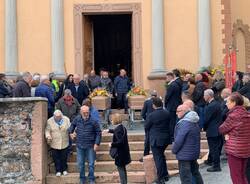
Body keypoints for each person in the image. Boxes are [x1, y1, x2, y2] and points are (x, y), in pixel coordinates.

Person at [219, 92, 250, 184]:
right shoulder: (247, 115)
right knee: (243, 175)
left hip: (235, 151)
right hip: (246, 149)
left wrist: (228, 134)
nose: (226, 104)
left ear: (234, 103)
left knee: (236, 176)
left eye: (228, 102)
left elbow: (221, 129)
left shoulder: (233, 116)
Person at [68, 105, 101, 184]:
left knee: (91, 164)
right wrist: (70, 133)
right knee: (80, 164)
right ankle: (82, 178)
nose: (86, 114)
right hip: (80, 145)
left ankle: (91, 179)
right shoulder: (77, 119)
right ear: (80, 112)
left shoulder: (93, 120)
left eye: (87, 112)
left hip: (90, 145)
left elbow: (98, 133)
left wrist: (97, 143)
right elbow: (71, 126)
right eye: (84, 113)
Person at [172, 104, 204, 184]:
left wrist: (174, 150)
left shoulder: (184, 123)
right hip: (193, 153)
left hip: (184, 155)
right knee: (195, 173)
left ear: (183, 112)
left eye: (178, 111)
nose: (176, 113)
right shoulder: (193, 121)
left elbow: (179, 140)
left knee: (185, 177)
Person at [145, 97, 171, 184]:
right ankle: (165, 174)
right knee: (161, 156)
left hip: (156, 140)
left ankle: (160, 178)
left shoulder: (152, 115)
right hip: (165, 139)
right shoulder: (167, 113)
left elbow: (146, 126)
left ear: (154, 105)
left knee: (158, 158)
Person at [103, 113, 131, 184]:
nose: (111, 121)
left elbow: (120, 142)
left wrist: (112, 144)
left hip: (120, 154)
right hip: (123, 153)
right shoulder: (122, 127)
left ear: (115, 120)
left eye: (112, 120)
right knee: (123, 169)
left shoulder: (118, 130)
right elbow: (116, 131)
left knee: (121, 170)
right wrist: (109, 130)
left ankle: (123, 183)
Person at [45, 110, 71, 176]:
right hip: (54, 142)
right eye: (57, 117)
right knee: (56, 157)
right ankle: (58, 170)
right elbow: (47, 130)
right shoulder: (49, 121)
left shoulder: (66, 119)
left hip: (64, 141)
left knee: (64, 157)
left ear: (61, 115)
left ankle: (64, 169)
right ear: (54, 116)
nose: (58, 118)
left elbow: (70, 128)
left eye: (59, 116)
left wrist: (72, 133)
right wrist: (48, 136)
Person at [203, 89, 223, 172]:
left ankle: (216, 166)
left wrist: (204, 127)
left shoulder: (210, 106)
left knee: (214, 149)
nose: (203, 97)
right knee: (215, 148)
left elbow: (206, 119)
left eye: (204, 95)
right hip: (218, 129)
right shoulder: (217, 104)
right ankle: (211, 161)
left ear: (208, 96)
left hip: (212, 130)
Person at [164, 70, 182, 141]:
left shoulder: (172, 85)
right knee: (174, 121)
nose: (166, 79)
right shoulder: (176, 84)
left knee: (171, 122)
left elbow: (168, 96)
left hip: (171, 107)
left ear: (170, 77)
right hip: (175, 105)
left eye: (167, 77)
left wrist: (165, 104)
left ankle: (172, 137)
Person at [139, 90, 157, 162]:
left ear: (150, 95)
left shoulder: (147, 102)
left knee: (147, 140)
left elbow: (143, 113)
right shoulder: (159, 101)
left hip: (149, 123)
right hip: (157, 123)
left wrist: (147, 119)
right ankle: (156, 155)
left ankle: (145, 155)